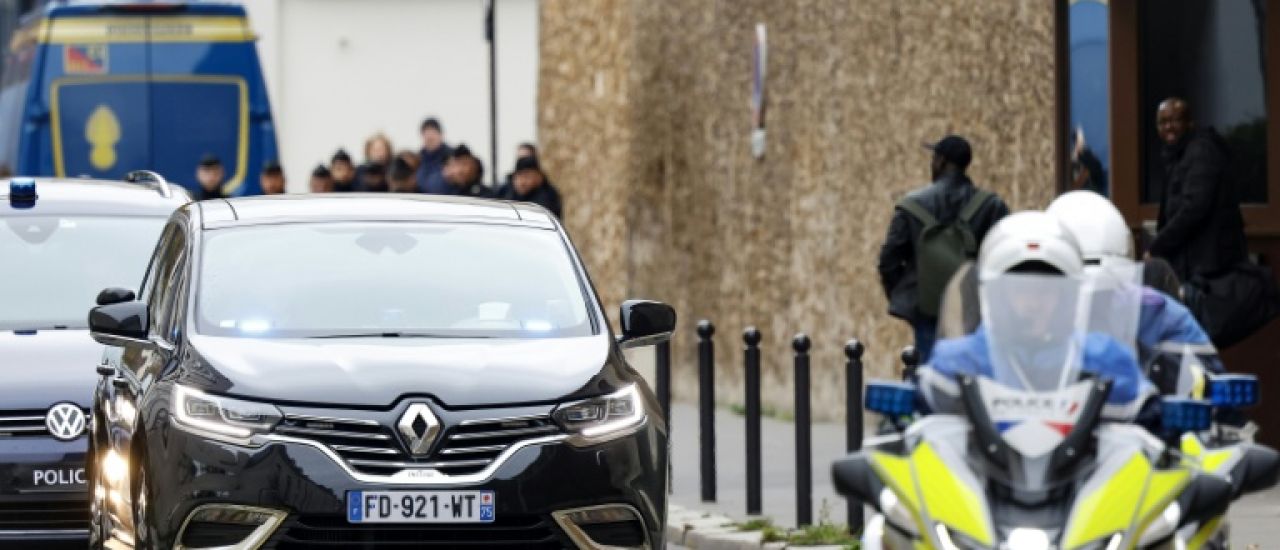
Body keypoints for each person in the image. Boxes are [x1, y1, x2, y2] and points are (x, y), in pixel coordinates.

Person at [919, 211, 1154, 420]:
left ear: (1067, 298)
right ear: (999, 296)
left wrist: (1163, 413)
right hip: (982, 469)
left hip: (1082, 469)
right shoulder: (962, 360)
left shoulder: (1104, 357)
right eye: (1020, 290)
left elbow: (1151, 412)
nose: (1033, 303)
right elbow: (916, 411)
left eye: (1046, 290)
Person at [877, 135, 1010, 361]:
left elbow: (888, 261)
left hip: (928, 313)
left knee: (932, 378)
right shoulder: (991, 206)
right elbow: (1005, 257)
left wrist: (912, 299)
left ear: (940, 161)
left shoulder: (911, 205)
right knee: (974, 376)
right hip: (975, 313)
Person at [1149, 97, 1247, 283]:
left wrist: (1157, 246)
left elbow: (1193, 208)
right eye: (1162, 122)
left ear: (1189, 123)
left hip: (1212, 268)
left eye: (1175, 120)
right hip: (1194, 264)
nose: (1168, 127)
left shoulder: (1202, 151)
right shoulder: (1177, 155)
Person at [495, 156, 562, 217]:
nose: (522, 182)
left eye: (527, 177)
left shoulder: (548, 196)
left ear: (539, 178)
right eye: (519, 177)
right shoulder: (504, 193)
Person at [417, 118, 454, 194]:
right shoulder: (418, 159)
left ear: (441, 135)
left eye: (433, 133)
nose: (430, 137)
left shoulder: (452, 156)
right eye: (426, 134)